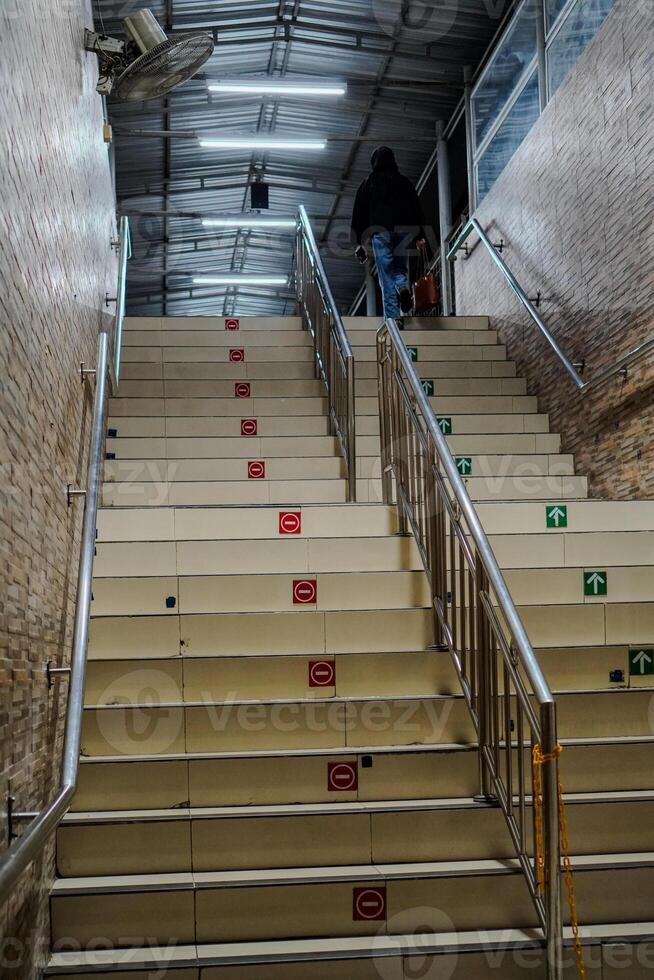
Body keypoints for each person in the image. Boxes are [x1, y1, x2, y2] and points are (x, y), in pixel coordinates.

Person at [351, 145, 425, 328]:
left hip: (380, 232)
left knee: (386, 276)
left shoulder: (368, 183)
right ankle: (402, 287)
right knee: (400, 269)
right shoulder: (404, 183)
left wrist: (358, 242)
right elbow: (417, 208)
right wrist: (420, 236)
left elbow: (359, 212)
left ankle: (393, 319)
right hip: (404, 232)